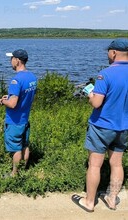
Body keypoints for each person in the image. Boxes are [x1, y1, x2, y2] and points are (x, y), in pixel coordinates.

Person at [71, 38, 128, 212]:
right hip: (124, 127)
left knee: (95, 165)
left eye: (108, 52)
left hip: (102, 126)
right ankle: (111, 199)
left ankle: (89, 202)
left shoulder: (106, 73)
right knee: (117, 164)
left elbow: (96, 103)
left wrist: (89, 93)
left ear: (114, 53)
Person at [0, 49, 37, 177]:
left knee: (15, 149)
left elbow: (13, 104)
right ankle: (24, 171)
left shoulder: (16, 80)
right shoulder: (32, 77)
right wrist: (9, 96)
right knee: (25, 145)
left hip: (14, 121)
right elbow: (24, 96)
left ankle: (14, 175)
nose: (10, 61)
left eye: (12, 59)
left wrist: (2, 101)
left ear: (17, 61)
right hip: (25, 119)